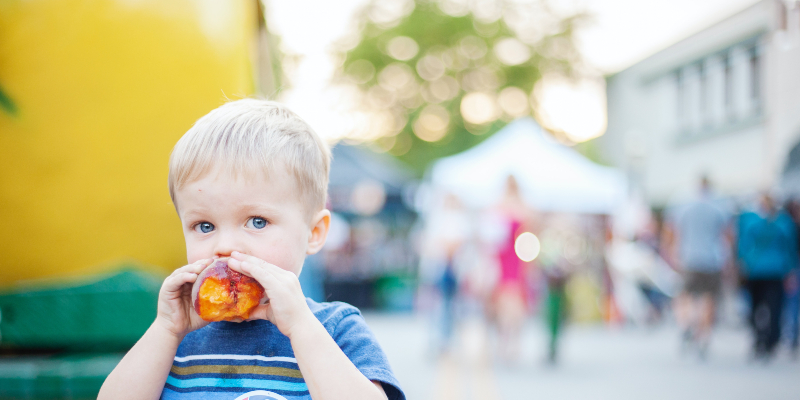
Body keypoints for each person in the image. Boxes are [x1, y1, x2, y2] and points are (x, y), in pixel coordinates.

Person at [98, 99, 404, 400]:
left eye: (257, 222)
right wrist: (166, 330)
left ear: (313, 233)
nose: (225, 246)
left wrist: (300, 327)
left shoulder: (335, 329)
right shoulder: (175, 339)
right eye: (205, 226)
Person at [668, 177, 731, 358]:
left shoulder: (684, 207)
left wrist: (674, 255)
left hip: (688, 259)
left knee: (685, 296)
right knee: (708, 299)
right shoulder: (719, 208)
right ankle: (703, 336)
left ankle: (687, 323)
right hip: (712, 260)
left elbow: (674, 233)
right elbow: (727, 236)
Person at [738, 193, 798, 360]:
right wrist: (791, 269)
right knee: (774, 307)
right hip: (776, 270)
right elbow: (789, 247)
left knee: (755, 306)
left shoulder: (750, 220)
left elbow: (743, 244)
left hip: (755, 269)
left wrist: (742, 263)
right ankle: (771, 339)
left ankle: (759, 337)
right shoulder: (783, 221)